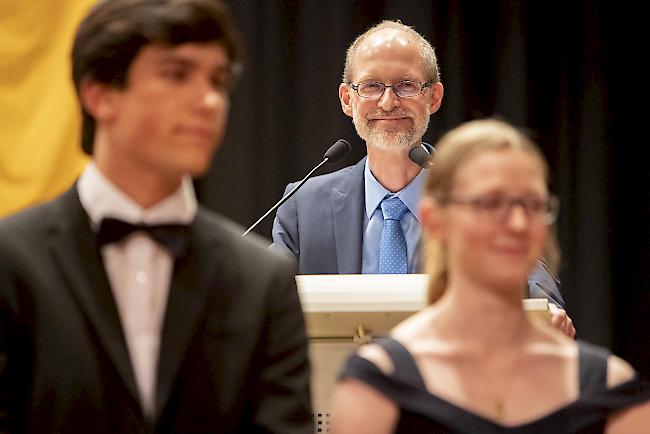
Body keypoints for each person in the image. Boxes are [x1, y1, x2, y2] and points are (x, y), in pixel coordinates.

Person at [0, 1, 312, 432]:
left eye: (218, 81)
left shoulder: (264, 281)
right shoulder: (11, 260)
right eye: (177, 74)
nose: (209, 101)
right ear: (100, 94)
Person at [329, 119, 650, 433]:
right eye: (490, 203)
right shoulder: (376, 385)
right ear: (436, 220)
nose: (518, 224)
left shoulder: (612, 389)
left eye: (532, 204)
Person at [271, 20, 575, 337]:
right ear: (348, 99)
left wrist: (547, 311)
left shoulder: (473, 198)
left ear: (434, 97)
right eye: (372, 86)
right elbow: (268, 302)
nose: (388, 103)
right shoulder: (303, 205)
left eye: (406, 85)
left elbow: (535, 278)